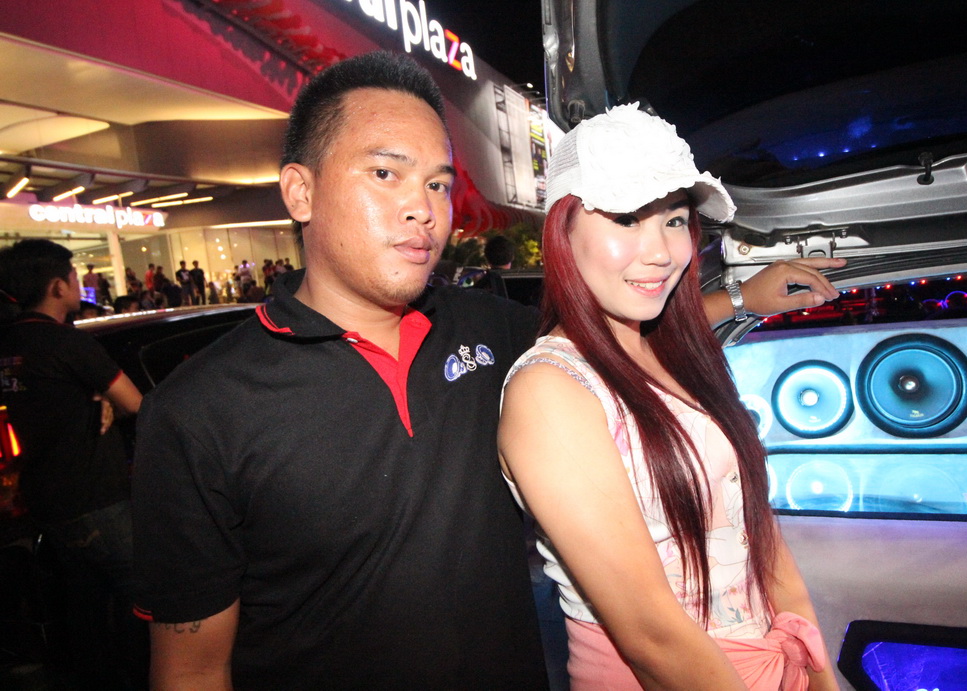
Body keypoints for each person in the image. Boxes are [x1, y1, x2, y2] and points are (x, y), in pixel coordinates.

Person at [131, 51, 548, 690]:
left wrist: (719, 282)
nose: (423, 209)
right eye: (385, 173)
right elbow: (192, 670)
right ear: (301, 192)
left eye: (437, 184)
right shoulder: (198, 411)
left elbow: (620, 342)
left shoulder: (494, 329)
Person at [497, 104, 840, 691]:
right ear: (562, 230)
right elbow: (652, 636)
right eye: (627, 218)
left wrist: (820, 677)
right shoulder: (551, 392)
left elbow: (761, 538)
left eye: (675, 220)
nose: (660, 251)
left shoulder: (671, 350)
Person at [0, 239, 146, 690]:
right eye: (73, 275)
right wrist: (108, 395)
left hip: (46, 499)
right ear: (57, 286)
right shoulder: (67, 343)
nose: (78, 282)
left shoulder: (8, 342)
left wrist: (97, 395)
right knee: (143, 599)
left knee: (85, 609)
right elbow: (138, 404)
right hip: (97, 497)